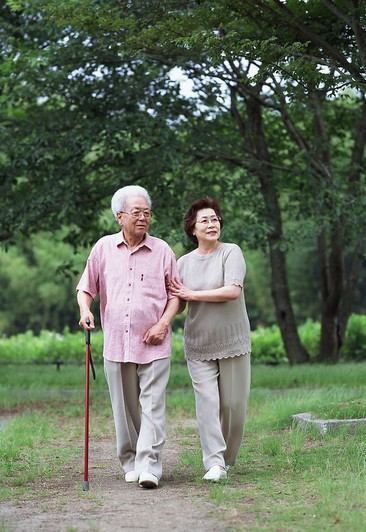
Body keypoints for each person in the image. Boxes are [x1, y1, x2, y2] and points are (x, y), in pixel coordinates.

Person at [76, 185, 180, 489]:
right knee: (124, 409)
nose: (144, 218)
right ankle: (131, 460)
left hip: (155, 343)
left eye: (147, 213)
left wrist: (163, 323)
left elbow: (175, 295)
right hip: (117, 343)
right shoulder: (103, 248)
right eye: (137, 212)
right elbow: (86, 288)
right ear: (119, 216)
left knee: (153, 405)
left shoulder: (163, 250)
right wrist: (85, 310)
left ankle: (150, 465)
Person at [170, 197, 251, 482]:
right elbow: (178, 304)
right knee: (207, 404)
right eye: (204, 220)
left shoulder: (231, 252)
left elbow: (232, 291)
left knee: (233, 407)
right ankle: (214, 462)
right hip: (199, 343)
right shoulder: (182, 263)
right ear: (192, 229)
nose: (211, 223)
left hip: (232, 342)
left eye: (215, 219)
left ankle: (226, 460)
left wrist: (192, 294)